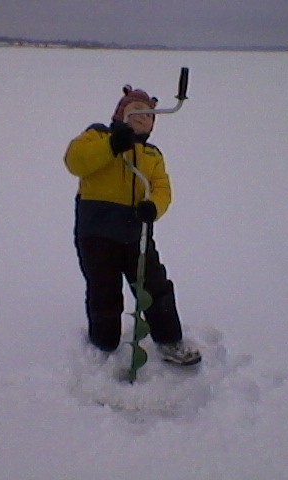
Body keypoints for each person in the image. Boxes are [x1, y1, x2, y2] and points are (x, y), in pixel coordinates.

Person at [64, 84, 201, 366]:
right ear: (120, 114)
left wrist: (154, 207)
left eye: (148, 114)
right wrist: (113, 145)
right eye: (135, 111)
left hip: (136, 234)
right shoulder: (98, 135)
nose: (142, 117)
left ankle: (169, 339)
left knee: (154, 286)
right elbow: (75, 161)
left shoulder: (152, 155)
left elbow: (162, 187)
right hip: (96, 233)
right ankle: (104, 343)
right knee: (104, 289)